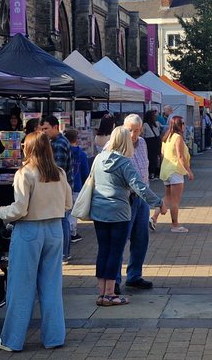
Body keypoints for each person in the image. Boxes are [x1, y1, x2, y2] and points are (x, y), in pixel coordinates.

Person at [0, 132, 72, 352]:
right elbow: (68, 204)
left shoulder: (25, 173)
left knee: (21, 287)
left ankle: (13, 340)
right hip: (55, 229)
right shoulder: (59, 172)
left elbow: (19, 209)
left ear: (28, 148)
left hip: (29, 230)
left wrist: (1, 211)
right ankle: (54, 337)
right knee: (51, 286)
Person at [89, 127, 162, 306]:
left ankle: (101, 293)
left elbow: (91, 179)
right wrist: (158, 202)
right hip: (119, 212)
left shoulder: (98, 158)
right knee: (115, 251)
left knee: (103, 251)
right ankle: (110, 294)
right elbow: (139, 186)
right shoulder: (124, 162)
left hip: (99, 211)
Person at [117, 114, 155, 290]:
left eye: (137, 130)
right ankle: (114, 280)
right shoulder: (116, 145)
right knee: (121, 239)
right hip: (126, 198)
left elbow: (145, 169)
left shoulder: (143, 144)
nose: (133, 134)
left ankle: (134, 275)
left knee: (141, 238)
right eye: (130, 130)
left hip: (142, 198)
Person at [38, 114, 74, 263]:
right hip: (64, 188)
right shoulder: (58, 141)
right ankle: (65, 253)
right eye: (42, 129)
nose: (43, 132)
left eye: (46, 128)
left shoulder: (58, 144)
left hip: (60, 190)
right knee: (63, 220)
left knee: (62, 220)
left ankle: (64, 254)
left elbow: (58, 170)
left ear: (55, 127)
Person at [152, 116, 193, 232]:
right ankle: (175, 225)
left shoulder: (167, 137)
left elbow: (163, 153)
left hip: (166, 170)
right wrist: (189, 171)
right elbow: (180, 156)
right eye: (183, 123)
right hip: (175, 170)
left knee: (167, 197)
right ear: (178, 125)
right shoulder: (178, 137)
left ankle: (154, 217)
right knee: (175, 200)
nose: (184, 125)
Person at [64, 129, 89, 248]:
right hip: (77, 186)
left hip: (65, 186)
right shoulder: (82, 154)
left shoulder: (64, 152)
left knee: (65, 211)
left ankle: (66, 232)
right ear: (76, 139)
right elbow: (85, 172)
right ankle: (72, 232)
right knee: (73, 212)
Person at [141, 110, 161, 180]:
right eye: (154, 115)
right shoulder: (153, 124)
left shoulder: (152, 124)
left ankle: (153, 172)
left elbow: (143, 134)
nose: (155, 117)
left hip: (151, 141)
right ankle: (154, 172)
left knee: (153, 157)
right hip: (154, 141)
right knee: (154, 157)